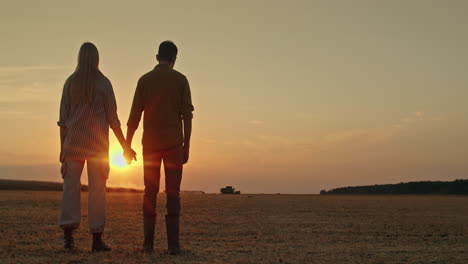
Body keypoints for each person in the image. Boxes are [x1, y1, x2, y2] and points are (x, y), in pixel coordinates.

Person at [58, 42, 136, 252]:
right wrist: (125, 146)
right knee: (97, 192)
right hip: (97, 146)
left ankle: (68, 237)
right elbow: (113, 119)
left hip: (72, 143)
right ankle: (96, 238)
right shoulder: (104, 84)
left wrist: (62, 150)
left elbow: (63, 120)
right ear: (97, 58)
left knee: (70, 190)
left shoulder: (70, 83)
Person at [125, 40, 194, 254]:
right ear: (174, 58)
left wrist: (127, 145)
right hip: (174, 145)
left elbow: (134, 116)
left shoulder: (144, 81)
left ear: (157, 57)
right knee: (173, 194)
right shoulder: (181, 80)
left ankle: (148, 245)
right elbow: (187, 117)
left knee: (150, 193)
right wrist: (187, 145)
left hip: (151, 147)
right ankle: (173, 246)